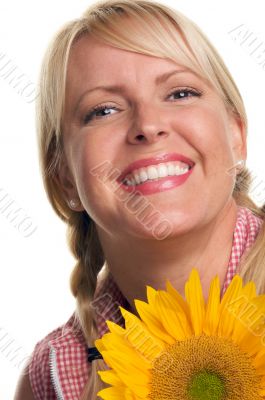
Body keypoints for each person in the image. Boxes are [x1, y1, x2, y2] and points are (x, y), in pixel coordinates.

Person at [14, 0, 265, 399]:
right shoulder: (54, 379)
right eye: (103, 110)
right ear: (65, 179)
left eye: (180, 93)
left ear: (237, 135)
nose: (148, 125)